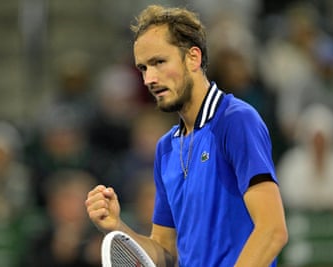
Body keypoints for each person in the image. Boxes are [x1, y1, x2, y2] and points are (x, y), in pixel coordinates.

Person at [85, 5, 288, 267]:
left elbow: (272, 231)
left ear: (193, 58)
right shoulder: (166, 148)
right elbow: (165, 251)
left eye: (159, 62)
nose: (149, 79)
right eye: (143, 68)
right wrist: (117, 226)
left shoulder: (236, 121)